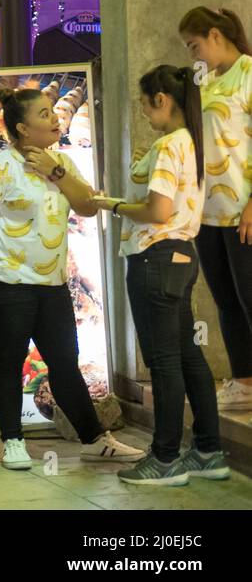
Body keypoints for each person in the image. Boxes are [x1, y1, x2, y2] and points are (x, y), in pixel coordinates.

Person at [0, 87, 145, 470]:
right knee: (9, 360)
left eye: (52, 112)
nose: (55, 118)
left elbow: (87, 206)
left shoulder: (63, 163)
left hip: (52, 285)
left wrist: (55, 172)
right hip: (5, 284)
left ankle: (94, 440)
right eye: (44, 114)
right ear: (22, 128)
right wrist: (2, 253)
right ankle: (13, 441)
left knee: (64, 362)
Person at [94, 66, 228, 485]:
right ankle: (207, 451)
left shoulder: (170, 145)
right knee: (187, 356)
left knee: (164, 361)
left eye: (143, 103)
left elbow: (157, 210)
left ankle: (165, 459)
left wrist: (113, 206)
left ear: (161, 100)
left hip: (156, 258)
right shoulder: (192, 142)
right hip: (182, 255)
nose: (142, 111)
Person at [179, 6, 252, 411]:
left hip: (242, 209)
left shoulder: (248, 73)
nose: (194, 55)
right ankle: (244, 381)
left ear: (215, 35)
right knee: (227, 300)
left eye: (194, 46)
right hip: (207, 212)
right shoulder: (206, 82)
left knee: (250, 297)